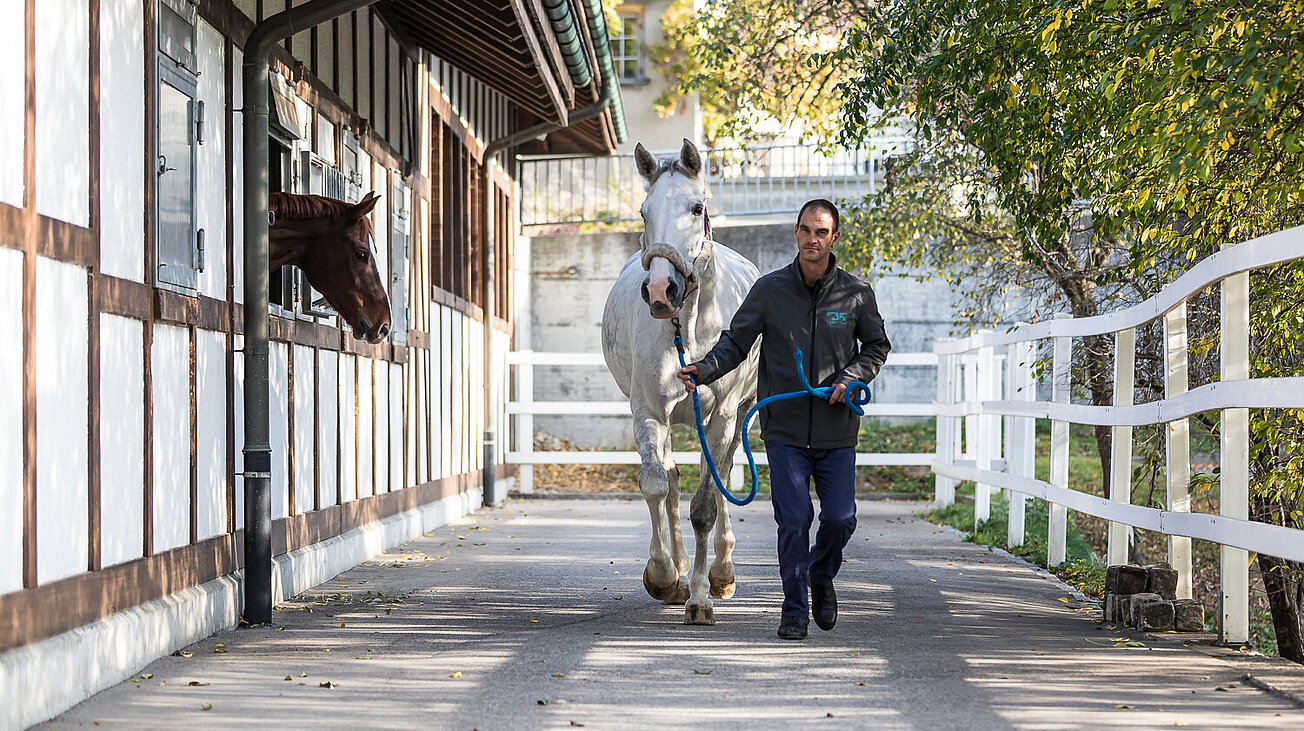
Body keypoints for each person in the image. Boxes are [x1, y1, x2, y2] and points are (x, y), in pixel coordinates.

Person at [677, 199, 891, 640]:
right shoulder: (770, 290)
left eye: (821, 232)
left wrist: (851, 378)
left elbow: (876, 347)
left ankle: (820, 575)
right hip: (784, 431)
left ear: (834, 238)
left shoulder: (856, 294)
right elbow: (736, 342)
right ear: (796, 232)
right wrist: (704, 369)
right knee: (793, 520)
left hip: (836, 430)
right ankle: (794, 609)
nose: (812, 239)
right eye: (806, 230)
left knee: (841, 518)